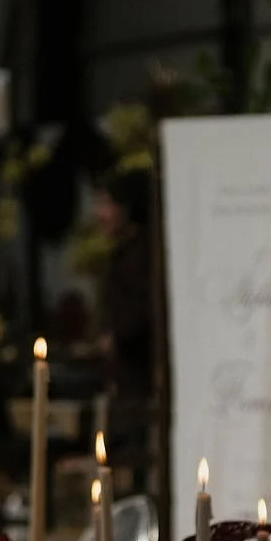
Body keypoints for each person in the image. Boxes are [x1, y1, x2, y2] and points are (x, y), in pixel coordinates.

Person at [93, 169, 155, 484]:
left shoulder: (145, 255)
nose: (99, 214)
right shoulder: (125, 254)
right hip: (125, 381)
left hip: (141, 382)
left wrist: (117, 337)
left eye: (106, 204)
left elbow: (145, 312)